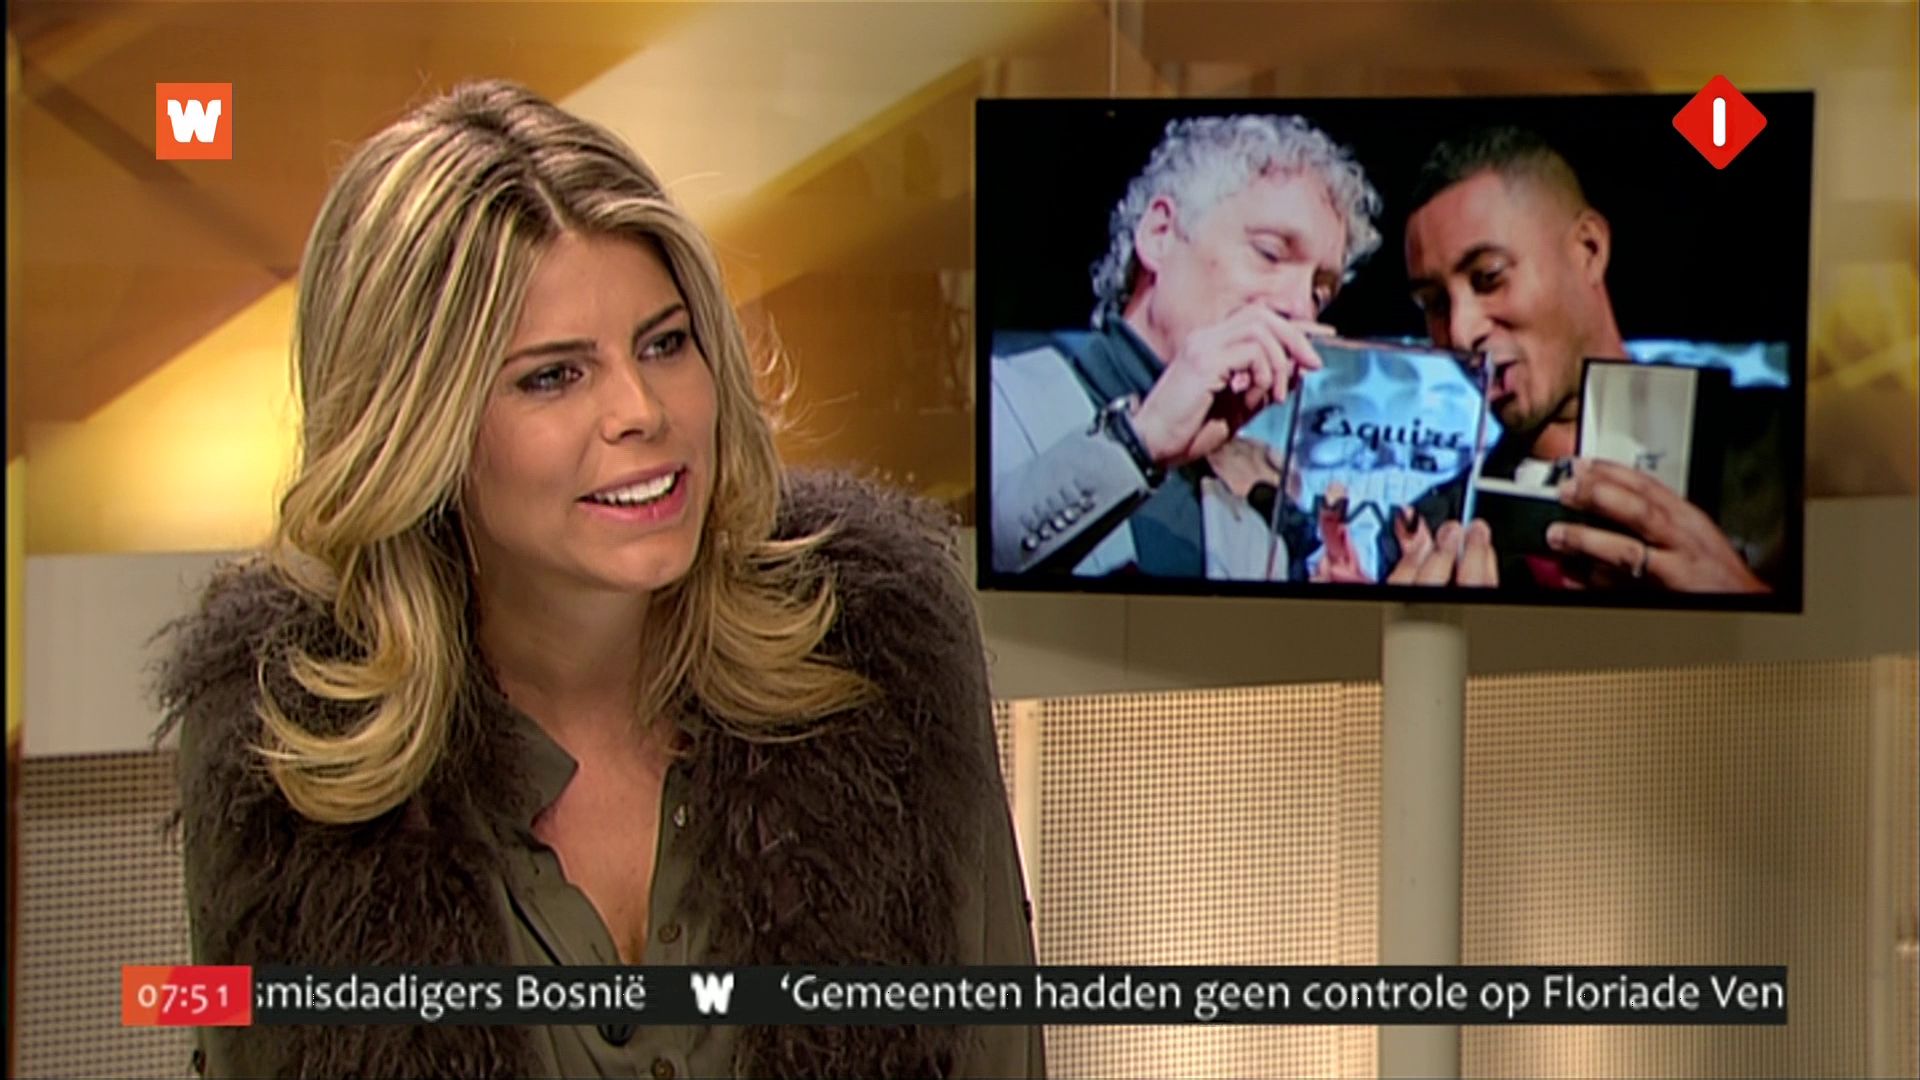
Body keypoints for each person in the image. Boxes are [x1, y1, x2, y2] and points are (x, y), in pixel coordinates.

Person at [152, 80, 1042, 1078]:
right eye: (553, 375)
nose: (642, 410)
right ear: (420, 427)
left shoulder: (881, 658)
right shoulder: (290, 746)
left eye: (665, 344)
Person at [988, 114, 1383, 580]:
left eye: (1319, 292)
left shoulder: (1256, 546)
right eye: (1270, 253)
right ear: (1159, 235)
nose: (1300, 308)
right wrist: (1140, 442)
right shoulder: (999, 394)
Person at [1398, 125, 1776, 592]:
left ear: (1589, 250)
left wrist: (1744, 600)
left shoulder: (1775, 455)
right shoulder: (1433, 532)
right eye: (1434, 303)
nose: (1460, 331)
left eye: (1488, 277)